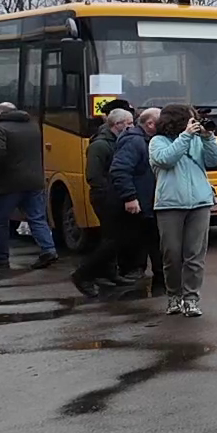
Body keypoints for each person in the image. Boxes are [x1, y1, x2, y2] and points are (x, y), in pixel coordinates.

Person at [149, 103, 217, 317]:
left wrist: (208, 138)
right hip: (170, 205)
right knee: (171, 253)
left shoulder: (199, 140)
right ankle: (174, 295)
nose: (195, 123)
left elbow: (216, 160)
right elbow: (164, 160)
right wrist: (185, 137)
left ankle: (191, 298)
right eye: (191, 119)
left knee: (195, 255)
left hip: (200, 203)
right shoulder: (157, 142)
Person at [0, 101, 57, 270]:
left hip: (9, 184)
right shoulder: (33, 126)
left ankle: (0, 258)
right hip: (35, 181)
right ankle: (48, 249)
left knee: (0, 221)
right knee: (37, 218)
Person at [70, 105, 137, 298]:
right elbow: (94, 175)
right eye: (129, 123)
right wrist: (111, 192)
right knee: (113, 239)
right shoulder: (100, 145)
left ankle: (109, 273)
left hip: (115, 195)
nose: (132, 127)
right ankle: (83, 274)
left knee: (114, 237)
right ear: (118, 125)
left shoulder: (117, 141)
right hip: (106, 197)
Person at [109, 106, 169, 299]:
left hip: (149, 202)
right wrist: (130, 197)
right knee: (138, 241)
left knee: (153, 241)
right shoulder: (134, 142)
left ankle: (160, 281)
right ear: (150, 124)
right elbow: (119, 170)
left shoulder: (147, 140)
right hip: (140, 202)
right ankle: (89, 273)